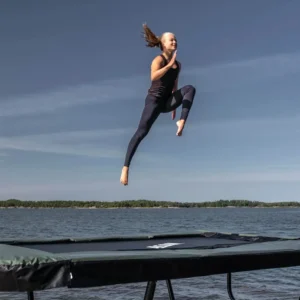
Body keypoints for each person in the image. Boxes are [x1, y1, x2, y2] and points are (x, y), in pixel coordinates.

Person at [120, 24, 196, 185]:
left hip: (167, 102)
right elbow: (153, 77)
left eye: (175, 39)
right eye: (171, 40)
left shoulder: (179, 64)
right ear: (163, 44)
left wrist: (175, 104)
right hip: (153, 102)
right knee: (141, 132)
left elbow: (175, 82)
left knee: (190, 88)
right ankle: (125, 167)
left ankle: (181, 121)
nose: (174, 42)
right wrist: (168, 65)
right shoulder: (159, 60)